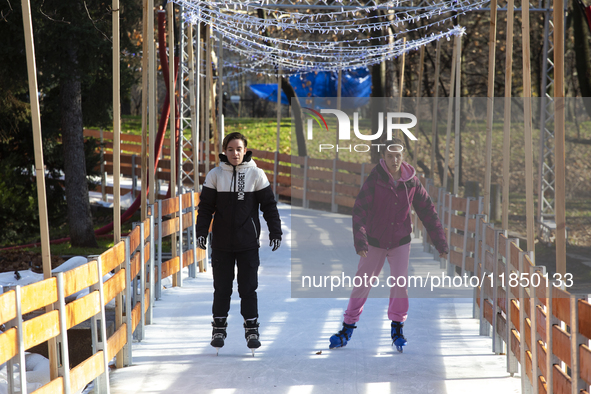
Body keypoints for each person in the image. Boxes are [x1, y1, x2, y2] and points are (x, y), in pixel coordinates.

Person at [329, 137, 448, 353]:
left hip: (400, 241)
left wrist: (440, 241)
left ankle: (397, 327)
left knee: (400, 284)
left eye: (398, 156)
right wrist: (361, 240)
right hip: (374, 241)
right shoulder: (375, 179)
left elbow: (428, 211)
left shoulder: (411, 181)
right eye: (390, 156)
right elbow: (359, 211)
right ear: (383, 156)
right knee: (362, 284)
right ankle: (347, 327)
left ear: (403, 157)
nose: (395, 160)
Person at [196, 132, 282, 355]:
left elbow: (269, 206)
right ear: (224, 151)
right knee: (222, 288)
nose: (235, 153)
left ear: (246, 150)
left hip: (247, 244)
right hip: (222, 244)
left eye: (239, 149)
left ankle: (252, 329)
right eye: (231, 149)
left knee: (248, 288)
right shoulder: (215, 175)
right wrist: (201, 231)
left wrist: (276, 231)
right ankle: (218, 328)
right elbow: (205, 208)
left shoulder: (256, 174)